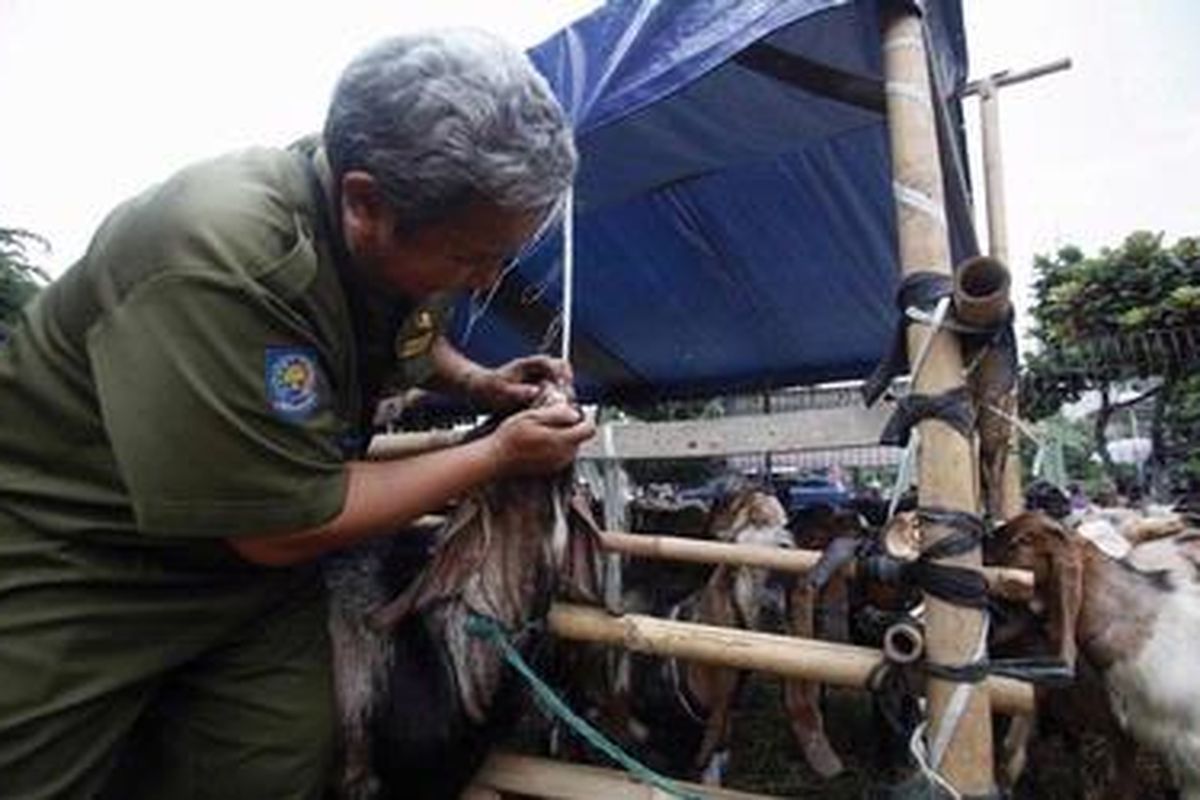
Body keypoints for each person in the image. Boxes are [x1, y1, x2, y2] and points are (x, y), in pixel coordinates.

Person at [0, 30, 593, 799]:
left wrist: (481, 384)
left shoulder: (395, 220)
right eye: (470, 257)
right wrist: (496, 454)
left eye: (498, 259)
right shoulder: (223, 255)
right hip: (82, 557)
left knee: (276, 767)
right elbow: (282, 525)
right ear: (364, 203)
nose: (483, 282)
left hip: (243, 583)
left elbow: (407, 326)